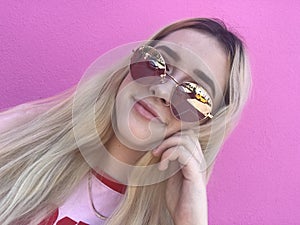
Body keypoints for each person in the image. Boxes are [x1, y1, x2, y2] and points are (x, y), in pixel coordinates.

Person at [0, 18, 251, 225]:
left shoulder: (168, 219)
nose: (162, 92)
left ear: (206, 124)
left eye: (194, 96)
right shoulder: (20, 134)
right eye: (156, 63)